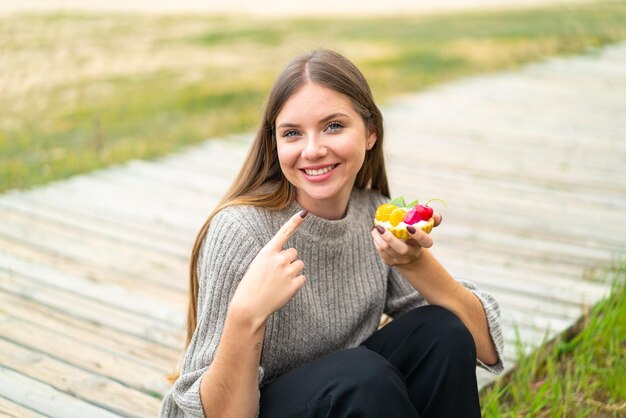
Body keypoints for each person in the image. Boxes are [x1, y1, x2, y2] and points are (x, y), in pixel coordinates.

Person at [160, 49, 504, 418]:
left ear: (370, 133)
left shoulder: (371, 213)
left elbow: (483, 346)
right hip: (246, 407)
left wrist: (416, 263)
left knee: (442, 331)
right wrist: (247, 313)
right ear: (274, 143)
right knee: (360, 375)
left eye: (333, 126)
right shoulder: (242, 230)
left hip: (350, 396)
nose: (313, 150)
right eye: (292, 133)